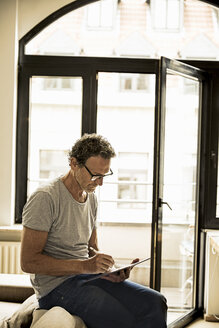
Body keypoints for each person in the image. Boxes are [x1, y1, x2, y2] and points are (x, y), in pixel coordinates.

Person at [21, 133, 167, 328]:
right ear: (74, 163)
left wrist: (108, 270)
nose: (100, 183)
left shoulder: (91, 198)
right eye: (95, 175)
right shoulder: (45, 198)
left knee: (156, 302)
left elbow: (92, 249)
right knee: (123, 318)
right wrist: (86, 267)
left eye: (104, 175)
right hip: (55, 288)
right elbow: (29, 262)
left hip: (87, 277)